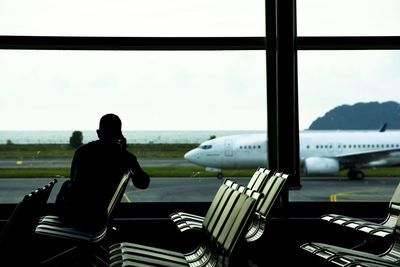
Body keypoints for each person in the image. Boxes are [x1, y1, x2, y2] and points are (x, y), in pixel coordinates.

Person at [56, 114, 150, 231]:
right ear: (120, 134)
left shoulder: (82, 152)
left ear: (98, 133)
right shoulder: (126, 158)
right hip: (101, 217)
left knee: (66, 184)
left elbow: (74, 182)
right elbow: (143, 183)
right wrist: (124, 151)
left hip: (77, 216)